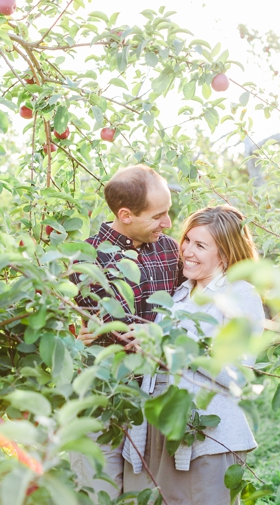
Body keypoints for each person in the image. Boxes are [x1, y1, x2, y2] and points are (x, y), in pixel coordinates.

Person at [122, 205, 266, 504]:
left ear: (224, 254)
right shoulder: (180, 293)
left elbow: (239, 374)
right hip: (160, 430)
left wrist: (171, 344)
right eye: (187, 240)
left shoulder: (240, 294)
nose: (187, 250)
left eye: (200, 245)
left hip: (207, 437)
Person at [70, 165, 182, 503]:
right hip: (101, 400)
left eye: (169, 212)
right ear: (125, 215)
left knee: (145, 496)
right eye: (159, 215)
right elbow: (76, 332)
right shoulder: (85, 262)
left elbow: (190, 314)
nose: (168, 223)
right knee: (97, 492)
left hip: (154, 402)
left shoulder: (171, 251)